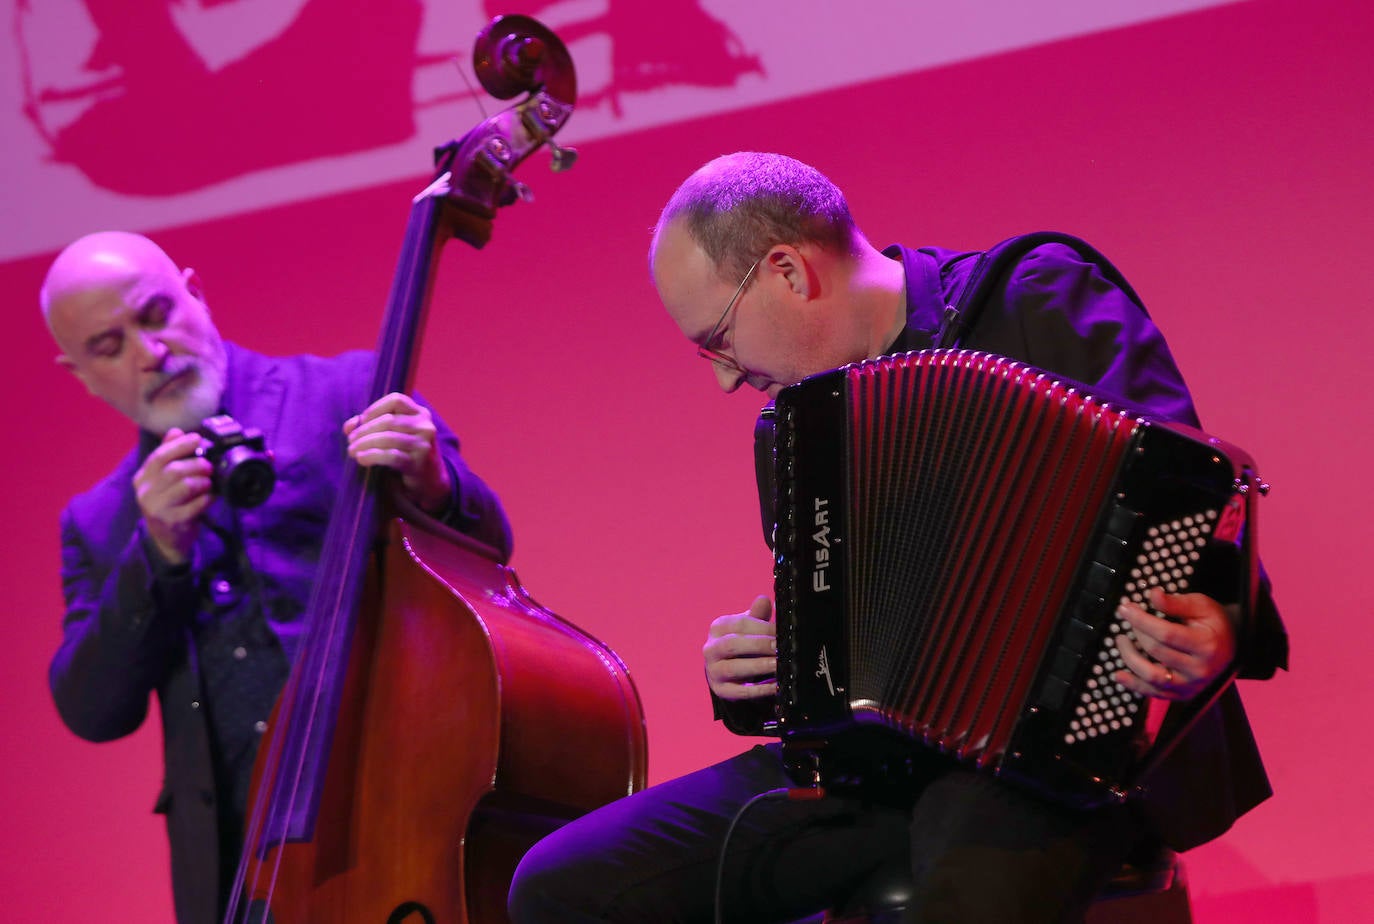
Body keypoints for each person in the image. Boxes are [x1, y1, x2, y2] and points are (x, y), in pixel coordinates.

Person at [506, 152, 1288, 923]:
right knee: (561, 886)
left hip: (1068, 762)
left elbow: (1194, 499)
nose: (722, 376)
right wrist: (758, 673)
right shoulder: (793, 431)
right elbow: (837, 650)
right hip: (878, 767)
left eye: (717, 339)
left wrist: (1216, 627)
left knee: (962, 879)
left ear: (787, 271)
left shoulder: (1035, 293)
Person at [43, 231, 513, 924]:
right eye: (110, 348)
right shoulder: (101, 518)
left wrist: (434, 480)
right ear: (80, 374)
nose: (150, 354)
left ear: (195, 294)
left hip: (395, 814)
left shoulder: (346, 392)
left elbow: (490, 555)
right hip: (242, 874)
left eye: (155, 315)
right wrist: (157, 555)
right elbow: (91, 709)